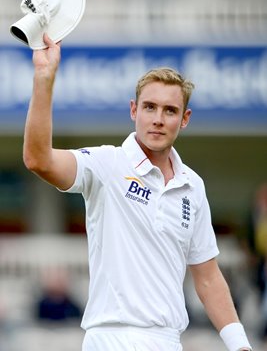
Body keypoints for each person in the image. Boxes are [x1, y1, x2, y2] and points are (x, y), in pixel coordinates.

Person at [23, 33, 253, 351]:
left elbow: (208, 277)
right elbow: (38, 159)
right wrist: (43, 78)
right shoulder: (107, 163)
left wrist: (239, 344)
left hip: (167, 340)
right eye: (150, 107)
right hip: (109, 337)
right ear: (134, 110)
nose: (158, 119)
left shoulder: (192, 186)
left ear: (184, 119)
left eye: (170, 111)